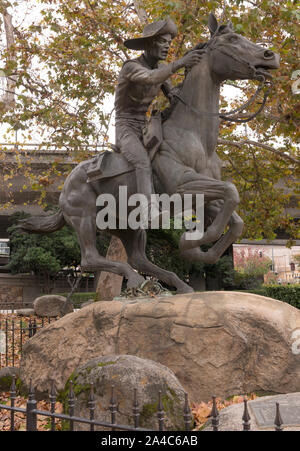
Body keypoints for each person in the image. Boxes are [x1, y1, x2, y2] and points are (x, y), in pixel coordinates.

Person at [114, 17, 205, 227]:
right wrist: (180, 62)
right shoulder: (131, 67)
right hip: (125, 127)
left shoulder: (161, 68)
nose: (167, 46)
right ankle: (148, 212)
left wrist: (196, 72)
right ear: (148, 44)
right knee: (142, 162)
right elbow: (151, 78)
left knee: (170, 155)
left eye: (169, 42)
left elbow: (174, 95)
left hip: (146, 127)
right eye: (163, 41)